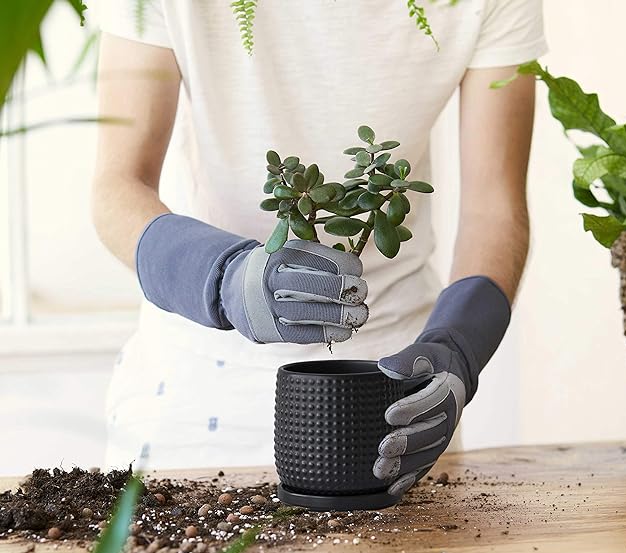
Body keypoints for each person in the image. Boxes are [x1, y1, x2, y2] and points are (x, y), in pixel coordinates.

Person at [93, 0, 546, 495]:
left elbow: (494, 209)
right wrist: (222, 278)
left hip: (396, 396)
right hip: (195, 386)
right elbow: (117, 188)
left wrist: (458, 345)